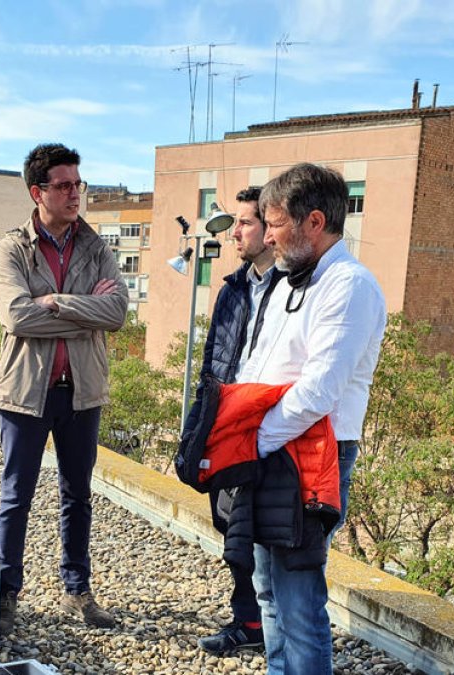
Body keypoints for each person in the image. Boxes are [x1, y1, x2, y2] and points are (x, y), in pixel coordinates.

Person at [238, 163, 387, 675]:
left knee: (299, 598)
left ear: (314, 221)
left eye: (275, 223)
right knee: (267, 589)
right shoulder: (287, 281)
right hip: (274, 446)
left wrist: (252, 441)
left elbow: (319, 390)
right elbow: (257, 366)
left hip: (313, 455)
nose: (269, 236)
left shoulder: (350, 286)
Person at [0, 143, 129, 636]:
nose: (75, 194)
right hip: (26, 391)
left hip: (81, 391)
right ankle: (5, 595)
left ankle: (77, 591)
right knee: (15, 496)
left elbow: (117, 313)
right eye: (64, 186)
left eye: (78, 184)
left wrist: (56, 302)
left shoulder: (95, 246)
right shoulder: (12, 247)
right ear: (38, 191)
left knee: (78, 495)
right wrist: (84, 310)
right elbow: (16, 316)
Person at [186, 187, 285, 655]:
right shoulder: (233, 288)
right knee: (229, 524)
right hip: (227, 424)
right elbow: (214, 361)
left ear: (271, 228)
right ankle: (248, 620)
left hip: (264, 430)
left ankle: (266, 626)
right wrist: (201, 424)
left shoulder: (291, 288)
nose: (236, 233)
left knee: (255, 534)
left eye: (245, 223)